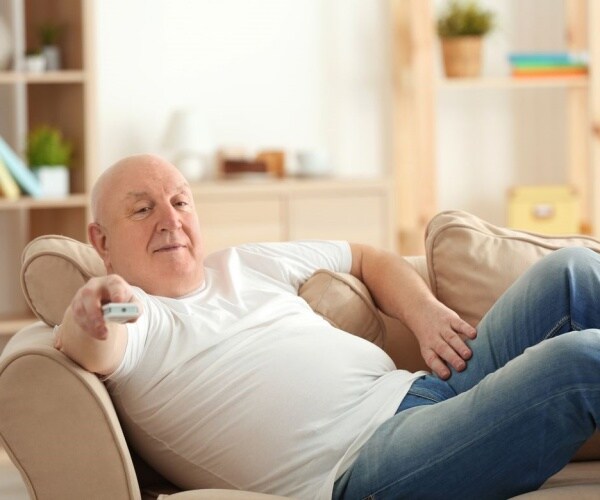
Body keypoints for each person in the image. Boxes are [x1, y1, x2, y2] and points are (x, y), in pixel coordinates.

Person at [55, 153, 600, 500]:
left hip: (430, 390)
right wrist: (98, 306)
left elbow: (365, 256)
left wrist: (426, 314)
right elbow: (98, 337)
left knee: (573, 271)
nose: (171, 219)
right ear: (101, 240)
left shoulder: (246, 264)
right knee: (581, 362)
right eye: (143, 210)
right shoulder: (142, 316)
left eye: (179, 202)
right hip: (371, 464)